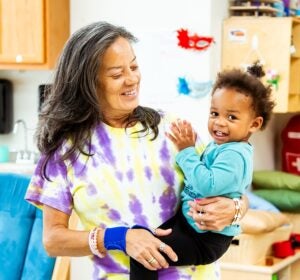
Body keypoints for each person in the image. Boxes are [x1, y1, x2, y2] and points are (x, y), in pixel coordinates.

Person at [25, 21, 249, 280]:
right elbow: (53, 240)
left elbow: (236, 193)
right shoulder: (65, 152)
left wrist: (234, 209)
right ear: (88, 83)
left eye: (134, 66)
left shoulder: (172, 129)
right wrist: (121, 238)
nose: (131, 79)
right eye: (117, 74)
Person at [130, 62, 275, 279]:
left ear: (254, 124)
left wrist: (186, 150)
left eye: (232, 117)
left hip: (204, 240)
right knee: (144, 237)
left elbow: (207, 185)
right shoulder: (222, 147)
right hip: (192, 226)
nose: (219, 123)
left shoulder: (235, 154)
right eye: (215, 113)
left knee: (144, 255)